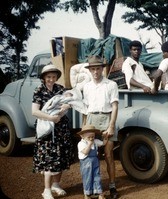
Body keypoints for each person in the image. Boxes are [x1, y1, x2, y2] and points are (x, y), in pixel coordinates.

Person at [32, 64, 74, 199]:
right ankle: (47, 190)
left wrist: (67, 105)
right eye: (48, 77)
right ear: (44, 77)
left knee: (60, 157)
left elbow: (68, 102)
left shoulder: (60, 89)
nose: (51, 79)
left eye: (54, 77)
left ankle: (56, 184)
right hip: (47, 130)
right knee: (49, 159)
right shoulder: (39, 90)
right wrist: (51, 118)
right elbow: (34, 111)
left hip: (61, 128)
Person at [82, 55, 119, 199]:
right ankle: (94, 187)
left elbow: (115, 106)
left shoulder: (111, 85)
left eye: (98, 68)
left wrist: (111, 126)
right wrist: (84, 127)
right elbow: (85, 109)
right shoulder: (86, 86)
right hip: (91, 120)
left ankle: (112, 186)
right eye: (93, 69)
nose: (96, 72)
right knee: (92, 156)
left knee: (109, 155)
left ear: (102, 69)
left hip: (106, 119)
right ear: (90, 71)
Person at [77, 124, 108, 199]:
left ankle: (99, 192)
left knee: (96, 176)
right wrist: (90, 144)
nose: (91, 139)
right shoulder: (81, 143)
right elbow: (85, 152)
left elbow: (103, 143)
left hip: (95, 162)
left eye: (93, 137)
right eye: (89, 137)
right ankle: (87, 194)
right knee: (87, 177)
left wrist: (105, 137)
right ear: (82, 136)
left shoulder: (95, 141)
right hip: (86, 163)